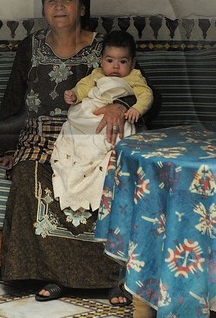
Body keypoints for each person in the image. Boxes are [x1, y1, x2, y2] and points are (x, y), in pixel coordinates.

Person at [0, 0, 127, 303]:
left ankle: (113, 276)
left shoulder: (104, 46)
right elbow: (13, 97)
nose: (59, 6)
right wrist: (6, 147)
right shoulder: (31, 47)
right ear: (43, 8)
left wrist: (120, 106)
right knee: (29, 178)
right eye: (50, 0)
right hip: (40, 137)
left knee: (108, 178)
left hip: (92, 138)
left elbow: (140, 86)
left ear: (82, 7)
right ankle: (53, 275)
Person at [49, 30, 153, 213]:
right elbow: (84, 87)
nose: (115, 67)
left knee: (115, 135)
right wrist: (74, 94)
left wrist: (137, 109)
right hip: (91, 113)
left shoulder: (134, 77)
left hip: (118, 119)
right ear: (101, 60)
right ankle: (82, 156)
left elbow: (146, 94)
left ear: (133, 63)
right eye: (110, 60)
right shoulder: (97, 74)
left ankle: (97, 155)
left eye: (123, 61)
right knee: (76, 124)